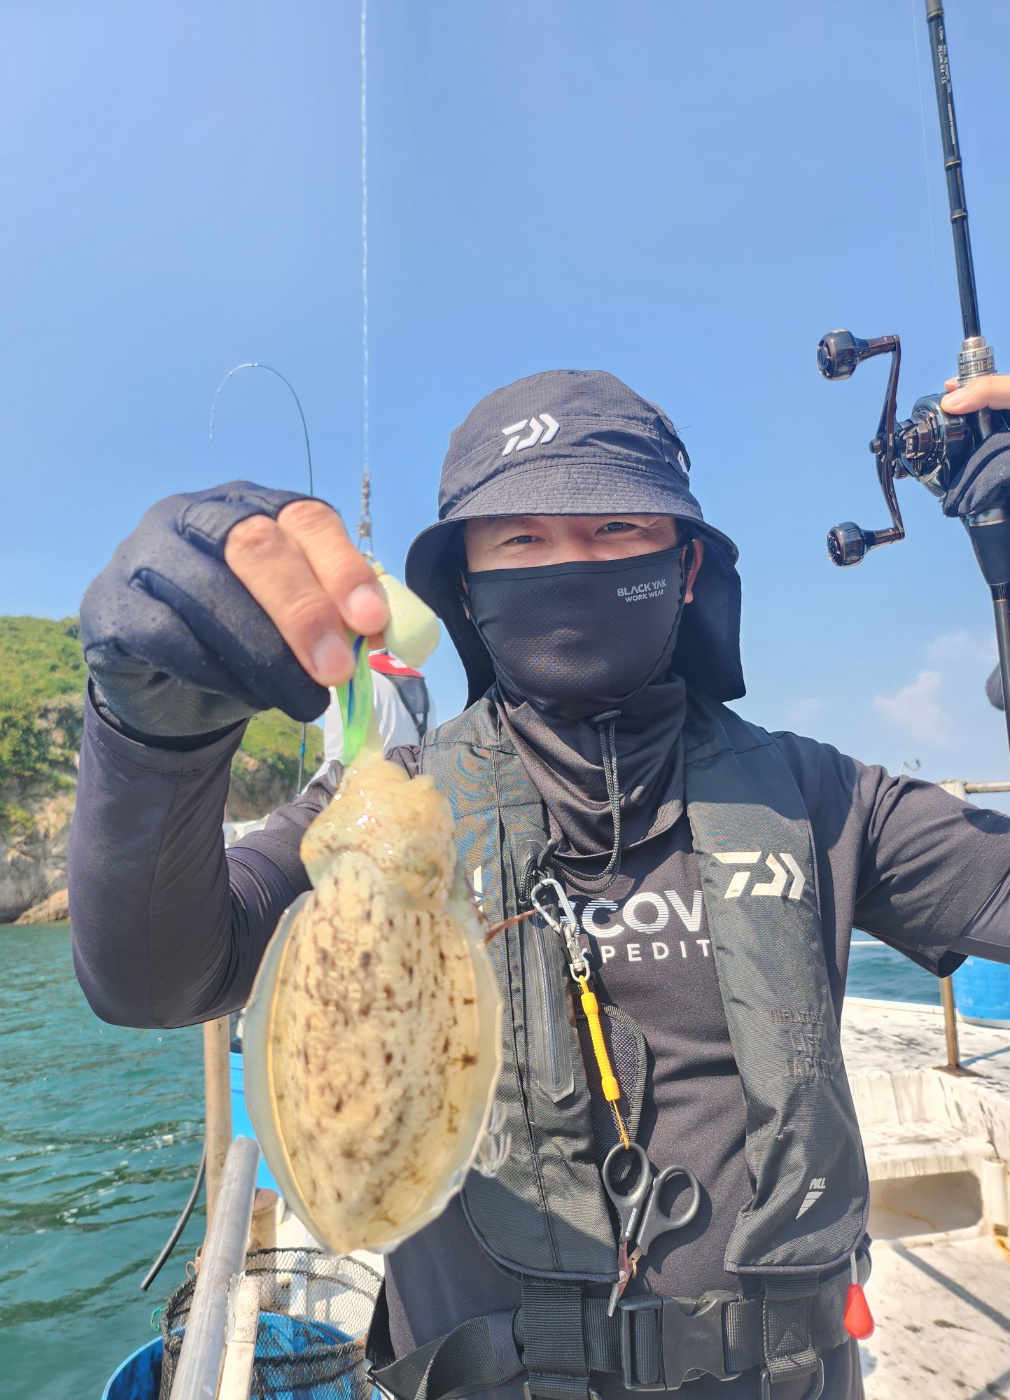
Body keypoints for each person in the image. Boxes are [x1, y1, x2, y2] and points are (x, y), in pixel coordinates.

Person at [71, 369, 1010, 1400]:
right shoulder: (380, 812)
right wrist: (151, 738)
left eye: (616, 527)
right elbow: (152, 975)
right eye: (521, 537)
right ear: (466, 587)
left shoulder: (825, 799)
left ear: (687, 565)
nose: (572, 563)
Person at [320, 641, 436, 763]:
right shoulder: (422, 685)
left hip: (370, 773)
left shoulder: (350, 678)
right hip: (419, 773)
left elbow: (335, 757)